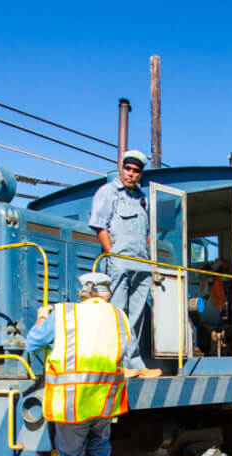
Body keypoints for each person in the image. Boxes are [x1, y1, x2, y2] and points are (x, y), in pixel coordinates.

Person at [24, 272, 136, 456]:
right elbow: (126, 348)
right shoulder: (120, 316)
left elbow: (32, 343)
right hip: (106, 399)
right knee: (100, 445)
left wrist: (42, 316)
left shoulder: (64, 314)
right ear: (106, 293)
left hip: (72, 402)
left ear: (86, 291)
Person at [89, 149, 161, 378]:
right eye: (127, 169)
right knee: (117, 312)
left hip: (141, 262)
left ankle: (136, 364)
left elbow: (147, 232)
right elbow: (99, 226)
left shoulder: (142, 198)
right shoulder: (107, 192)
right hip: (119, 262)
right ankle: (117, 364)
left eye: (136, 171)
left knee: (137, 314)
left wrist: (150, 259)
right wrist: (112, 255)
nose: (130, 174)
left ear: (140, 174)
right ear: (122, 168)